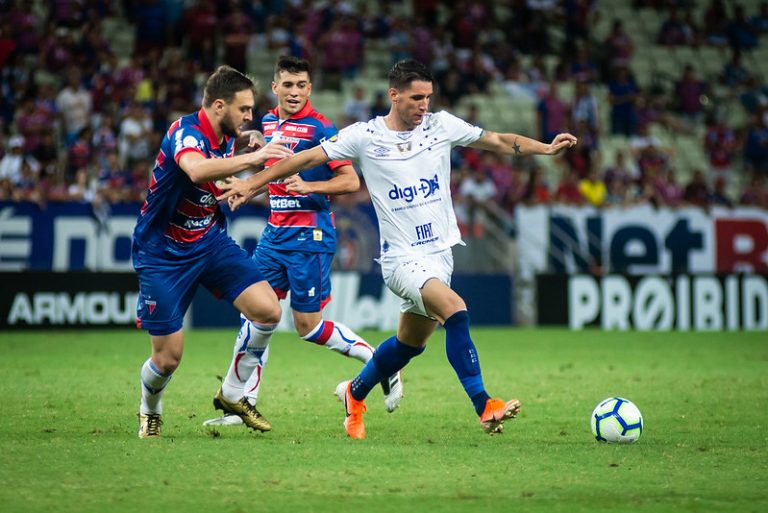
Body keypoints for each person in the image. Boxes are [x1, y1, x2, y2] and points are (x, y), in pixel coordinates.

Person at [218, 59, 577, 439]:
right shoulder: (366, 135)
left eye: (428, 97)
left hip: (440, 254)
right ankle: (484, 404)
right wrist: (252, 182)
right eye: (416, 98)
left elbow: (499, 141)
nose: (424, 105)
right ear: (394, 95)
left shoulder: (441, 126)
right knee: (456, 311)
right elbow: (304, 159)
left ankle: (354, 394)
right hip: (401, 259)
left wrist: (546, 149)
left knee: (409, 345)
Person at [205, 56, 403, 429]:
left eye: (301, 86)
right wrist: (249, 186)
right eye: (287, 85)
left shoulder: (321, 128)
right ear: (275, 87)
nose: (294, 92)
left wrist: (309, 185)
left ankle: (380, 362)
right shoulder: (265, 122)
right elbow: (267, 169)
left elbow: (349, 182)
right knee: (255, 315)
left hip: (309, 235)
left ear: (309, 89)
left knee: (308, 327)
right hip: (273, 233)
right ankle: (243, 402)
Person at [132, 65, 294, 438]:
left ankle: (234, 393)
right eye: (245, 109)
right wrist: (256, 159)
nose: (251, 117)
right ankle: (149, 408)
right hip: (163, 252)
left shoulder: (224, 133)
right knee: (167, 358)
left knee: (268, 310)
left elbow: (215, 173)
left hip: (207, 241)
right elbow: (195, 169)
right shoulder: (185, 132)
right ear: (219, 106)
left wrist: (235, 182)